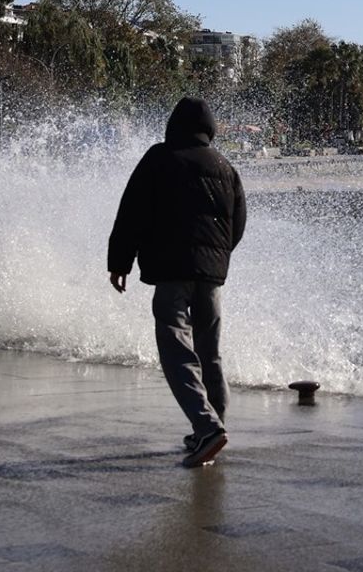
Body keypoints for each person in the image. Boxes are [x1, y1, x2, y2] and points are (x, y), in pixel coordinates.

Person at [108, 97, 246, 468]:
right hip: (211, 274)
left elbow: (132, 211)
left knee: (175, 347)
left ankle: (206, 427)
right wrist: (216, 257)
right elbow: (237, 224)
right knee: (209, 351)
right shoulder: (225, 165)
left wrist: (119, 262)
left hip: (172, 271)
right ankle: (212, 424)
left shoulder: (160, 157)